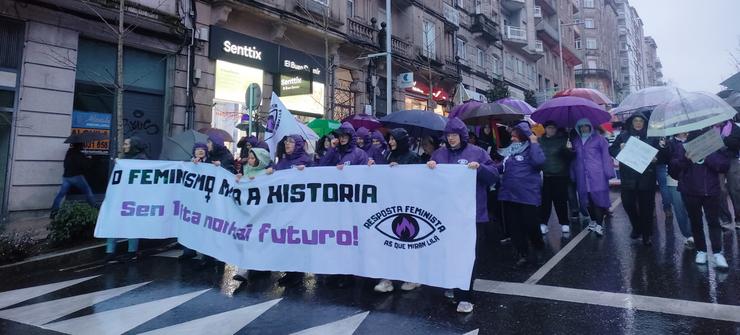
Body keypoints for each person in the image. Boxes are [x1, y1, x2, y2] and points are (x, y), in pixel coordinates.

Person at [427, 117, 498, 314]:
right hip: (447, 215)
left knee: (467, 256)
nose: (451, 139)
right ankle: (451, 284)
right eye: (448, 135)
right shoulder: (439, 154)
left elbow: (493, 175)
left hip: (472, 215)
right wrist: (430, 168)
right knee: (448, 253)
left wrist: (480, 168)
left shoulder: (477, 153)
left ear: (463, 135)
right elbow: (429, 183)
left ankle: (466, 296)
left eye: (454, 135)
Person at [670, 130, 730, 269]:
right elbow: (673, 170)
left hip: (711, 190)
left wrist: (708, 156)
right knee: (696, 222)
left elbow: (724, 165)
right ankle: (701, 250)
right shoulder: (681, 147)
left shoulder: (714, 144)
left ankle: (717, 253)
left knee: (713, 222)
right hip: (689, 191)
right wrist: (685, 159)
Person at [373, 128, 421, 293]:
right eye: (390, 139)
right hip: (389, 204)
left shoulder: (414, 158)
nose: (390, 142)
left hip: (408, 206)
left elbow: (419, 182)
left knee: (408, 242)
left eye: (394, 139)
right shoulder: (387, 155)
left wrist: (401, 171)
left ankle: (413, 277)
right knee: (388, 243)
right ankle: (386, 279)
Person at [609, 112, 665, 246]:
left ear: (645, 123)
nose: (638, 123)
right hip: (628, 177)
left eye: (641, 121)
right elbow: (612, 150)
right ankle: (636, 226)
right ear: (631, 123)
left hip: (647, 177)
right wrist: (620, 150)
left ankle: (647, 235)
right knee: (628, 203)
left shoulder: (652, 137)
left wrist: (657, 158)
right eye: (636, 121)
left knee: (647, 207)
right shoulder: (623, 136)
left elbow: (663, 155)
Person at [498, 122, 546, 267]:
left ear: (524, 137)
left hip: (528, 196)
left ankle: (538, 248)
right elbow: (500, 168)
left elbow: (539, 162)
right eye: (511, 136)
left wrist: (534, 142)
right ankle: (522, 253)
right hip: (509, 195)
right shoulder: (510, 152)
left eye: (515, 136)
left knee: (531, 225)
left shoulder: (532, 149)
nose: (512, 139)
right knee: (515, 227)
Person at [232, 147, 273, 281]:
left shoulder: (269, 173)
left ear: (260, 160)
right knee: (246, 239)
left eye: (252, 158)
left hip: (263, 213)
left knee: (260, 241)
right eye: (249, 157)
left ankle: (261, 267)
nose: (249, 160)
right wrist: (238, 177)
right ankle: (242, 271)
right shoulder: (245, 171)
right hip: (248, 212)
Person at [105, 136, 147, 262]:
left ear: (134, 145)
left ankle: (131, 252)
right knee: (113, 222)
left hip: (133, 198)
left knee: (131, 224)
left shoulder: (142, 160)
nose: (124, 146)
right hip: (120, 196)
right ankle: (110, 251)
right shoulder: (124, 159)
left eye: (126, 144)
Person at [571, 118, 614, 237]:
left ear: (590, 126)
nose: (584, 128)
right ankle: (594, 221)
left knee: (598, 200)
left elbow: (606, 157)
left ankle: (599, 225)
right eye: (581, 126)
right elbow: (573, 160)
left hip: (597, 174)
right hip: (582, 176)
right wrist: (573, 174)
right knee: (587, 199)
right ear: (578, 128)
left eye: (586, 125)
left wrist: (608, 172)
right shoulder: (575, 141)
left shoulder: (600, 140)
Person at [538, 121, 574, 235]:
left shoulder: (563, 140)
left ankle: (564, 223)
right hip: (545, 176)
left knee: (560, 200)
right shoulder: (540, 141)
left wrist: (568, 151)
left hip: (560, 175)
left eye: (554, 128)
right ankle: (543, 223)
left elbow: (571, 157)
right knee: (545, 201)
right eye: (549, 128)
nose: (552, 130)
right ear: (545, 129)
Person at [179, 142, 210, 260]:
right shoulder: (188, 164)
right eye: (198, 149)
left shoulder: (211, 163)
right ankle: (188, 251)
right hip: (192, 200)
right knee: (189, 226)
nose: (200, 151)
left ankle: (207, 255)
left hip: (206, 201)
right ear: (194, 152)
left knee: (205, 227)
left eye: (203, 149)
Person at [50, 142, 96, 218]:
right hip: (76, 176)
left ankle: (54, 211)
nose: (83, 146)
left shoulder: (68, 153)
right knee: (87, 190)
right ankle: (94, 207)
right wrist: (89, 159)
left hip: (66, 177)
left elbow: (65, 164)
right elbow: (84, 166)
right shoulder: (79, 155)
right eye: (82, 145)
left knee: (61, 194)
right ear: (79, 146)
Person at [666, 133, 694, 249]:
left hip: (693, 179)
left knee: (693, 208)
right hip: (674, 179)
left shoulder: (694, 138)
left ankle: (692, 234)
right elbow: (667, 159)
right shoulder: (669, 143)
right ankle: (687, 235)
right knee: (679, 209)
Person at [719, 120, 740, 230]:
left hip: (732, 160)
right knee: (720, 190)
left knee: (735, 189)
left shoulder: (734, 127)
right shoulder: (710, 128)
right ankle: (725, 218)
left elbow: (736, 142)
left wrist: (722, 140)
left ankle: (739, 218)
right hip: (717, 161)